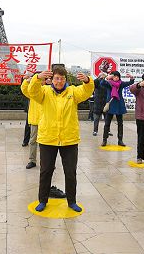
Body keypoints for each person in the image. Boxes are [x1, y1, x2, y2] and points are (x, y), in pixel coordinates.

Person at [28, 66, 94, 213]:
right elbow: (32, 91)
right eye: (57, 78)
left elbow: (86, 91)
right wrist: (37, 78)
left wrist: (88, 81)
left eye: (62, 79)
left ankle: (72, 201)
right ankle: (43, 200)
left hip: (69, 139)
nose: (59, 81)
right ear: (52, 79)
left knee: (70, 172)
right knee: (46, 171)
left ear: (66, 80)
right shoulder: (44, 92)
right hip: (48, 139)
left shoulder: (73, 92)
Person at [21, 72, 51, 169]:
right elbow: (24, 89)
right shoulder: (32, 91)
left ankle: (47, 162)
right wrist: (27, 81)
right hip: (35, 120)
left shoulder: (48, 90)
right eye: (38, 78)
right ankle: (32, 160)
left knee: (47, 143)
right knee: (33, 141)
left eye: (42, 78)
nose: (40, 81)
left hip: (47, 120)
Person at [100, 71, 135, 147]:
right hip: (111, 105)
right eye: (114, 76)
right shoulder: (109, 83)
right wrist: (106, 78)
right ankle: (104, 140)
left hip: (119, 105)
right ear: (112, 77)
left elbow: (129, 83)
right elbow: (102, 83)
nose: (116, 78)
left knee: (120, 123)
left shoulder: (121, 83)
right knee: (107, 124)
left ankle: (120, 140)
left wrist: (131, 78)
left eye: (117, 76)